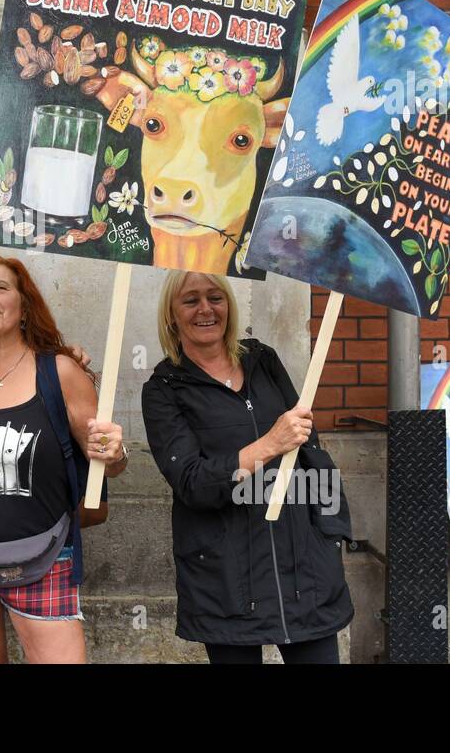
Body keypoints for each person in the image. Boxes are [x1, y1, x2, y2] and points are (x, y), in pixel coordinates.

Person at [142, 271, 354, 664]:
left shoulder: (263, 361)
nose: (205, 308)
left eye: (215, 297)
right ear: (172, 314)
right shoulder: (164, 389)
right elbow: (192, 482)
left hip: (302, 569)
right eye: (190, 300)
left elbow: (310, 449)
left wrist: (330, 531)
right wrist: (269, 444)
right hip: (227, 576)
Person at [0, 254, 126, 664]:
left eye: (0, 288)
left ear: (23, 305)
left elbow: (107, 461)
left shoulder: (59, 372)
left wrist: (115, 449)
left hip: (44, 553)